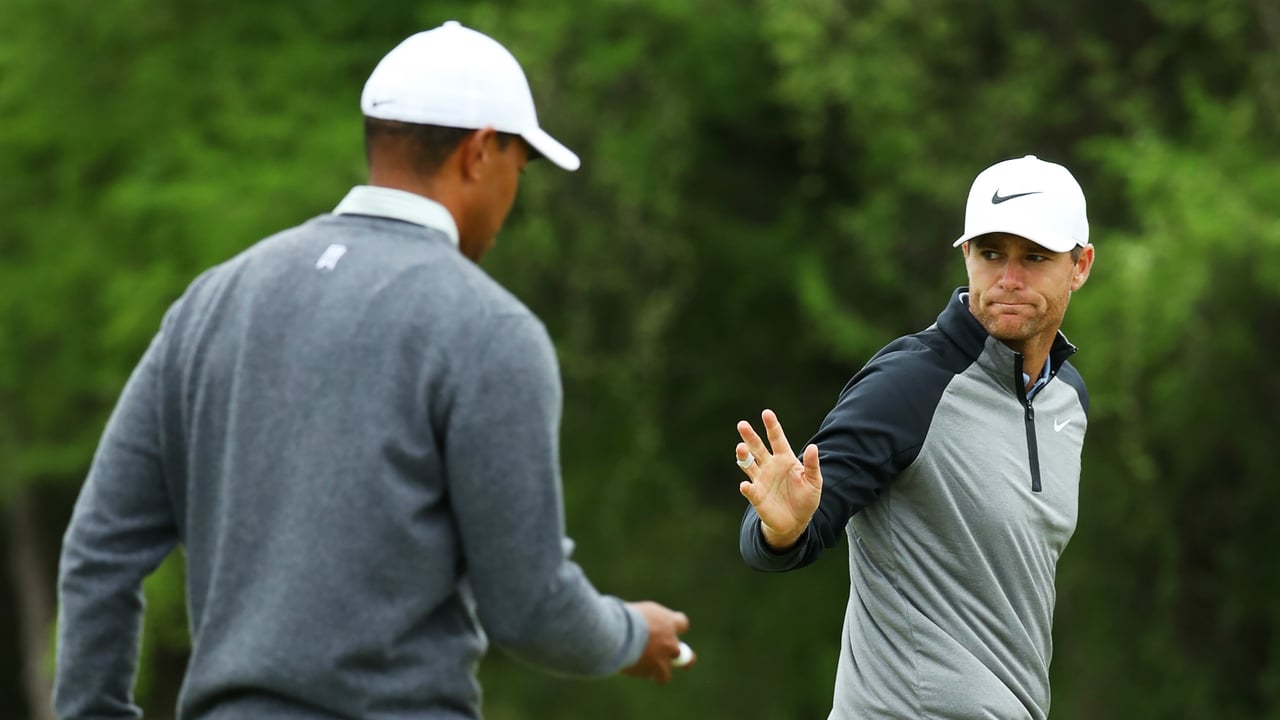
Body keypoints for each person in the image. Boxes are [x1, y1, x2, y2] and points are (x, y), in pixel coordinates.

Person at [54, 21, 691, 720]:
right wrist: (631, 634)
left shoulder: (212, 302)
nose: (515, 195)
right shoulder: (491, 330)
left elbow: (100, 548)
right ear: (481, 152)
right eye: (522, 165)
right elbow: (530, 609)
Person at [735, 155, 1095, 720]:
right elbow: (791, 530)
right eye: (991, 253)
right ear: (966, 255)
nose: (1009, 278)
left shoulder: (1067, 399)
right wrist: (781, 530)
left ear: (1080, 266)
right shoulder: (909, 383)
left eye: (1035, 257)